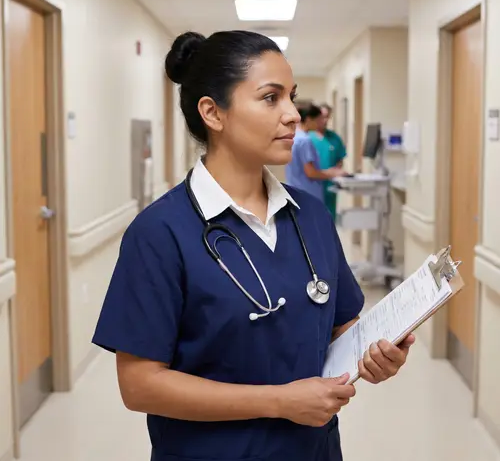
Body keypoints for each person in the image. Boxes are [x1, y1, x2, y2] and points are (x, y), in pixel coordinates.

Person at [92, 30, 415, 461]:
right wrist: (279, 401)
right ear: (213, 112)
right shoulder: (160, 233)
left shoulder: (311, 218)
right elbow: (140, 385)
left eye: (292, 97)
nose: (293, 115)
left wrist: (376, 352)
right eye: (270, 98)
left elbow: (342, 325)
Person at [285, 105, 342, 202]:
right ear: (308, 120)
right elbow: (311, 173)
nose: (321, 123)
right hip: (307, 195)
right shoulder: (305, 140)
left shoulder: (295, 137)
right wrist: (333, 173)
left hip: (296, 192)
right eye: (318, 119)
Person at [309, 103, 348, 220]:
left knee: (329, 219)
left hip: (329, 187)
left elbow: (340, 159)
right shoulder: (307, 138)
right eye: (322, 117)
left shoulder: (334, 138)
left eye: (327, 117)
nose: (324, 120)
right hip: (312, 185)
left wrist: (335, 172)